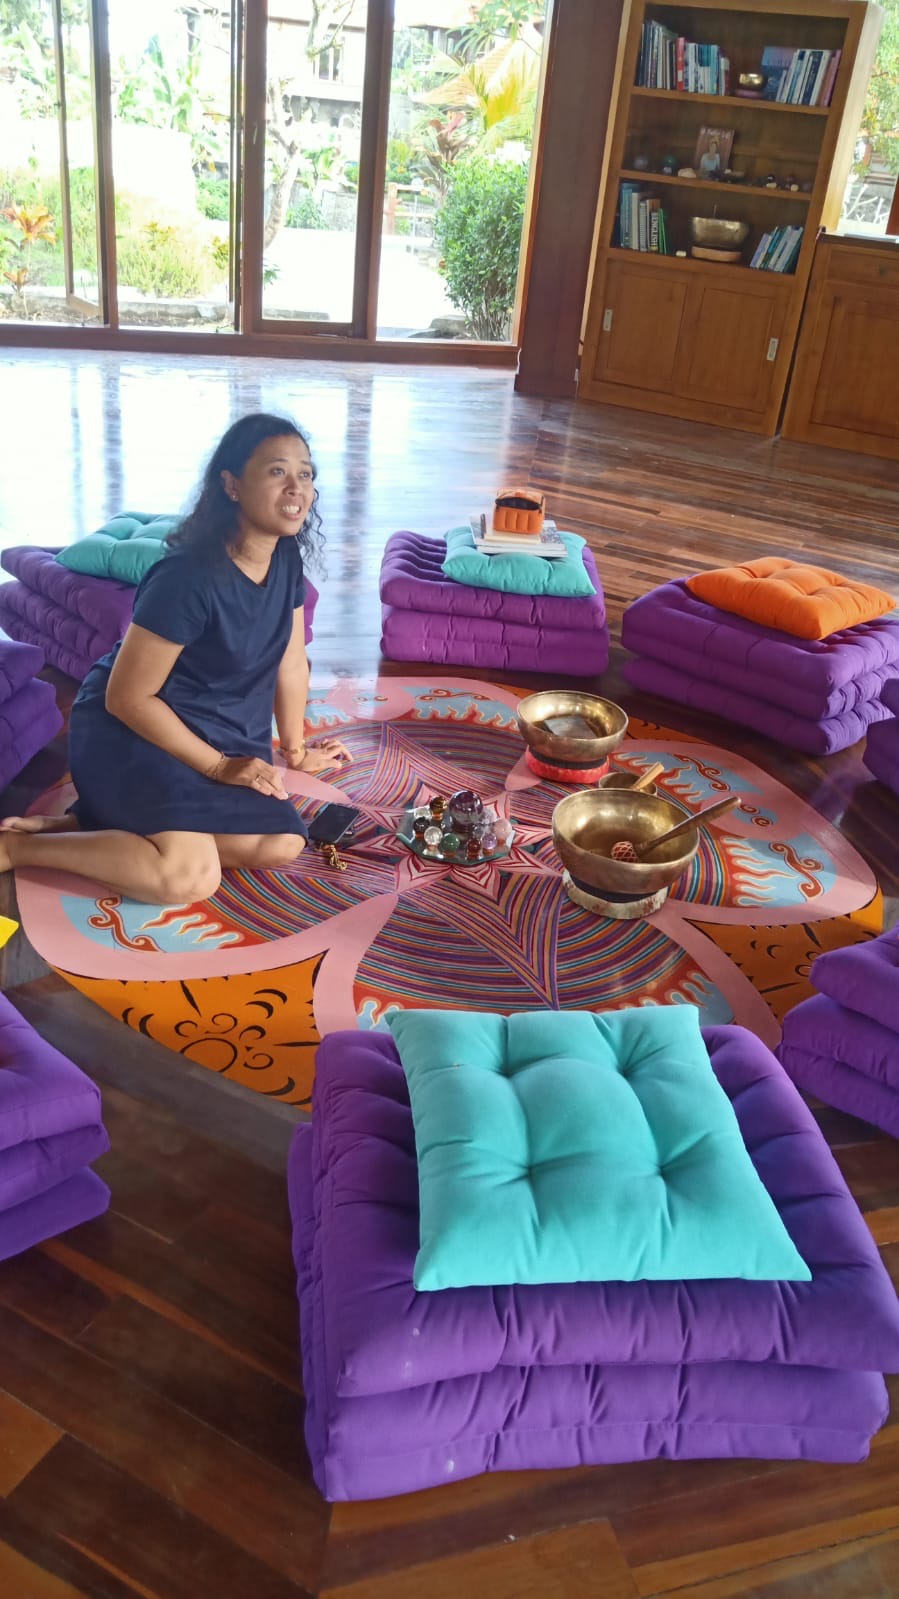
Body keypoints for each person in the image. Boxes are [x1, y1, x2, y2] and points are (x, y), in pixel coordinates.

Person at [0, 413, 351, 904]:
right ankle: (18, 848)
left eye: (306, 474)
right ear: (231, 485)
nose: (297, 488)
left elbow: (291, 662)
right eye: (277, 471)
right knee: (190, 877)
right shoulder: (187, 578)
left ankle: (101, 828)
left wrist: (295, 751)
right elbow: (127, 698)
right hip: (132, 731)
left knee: (281, 843)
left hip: (215, 726)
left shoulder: (285, 555)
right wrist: (218, 768)